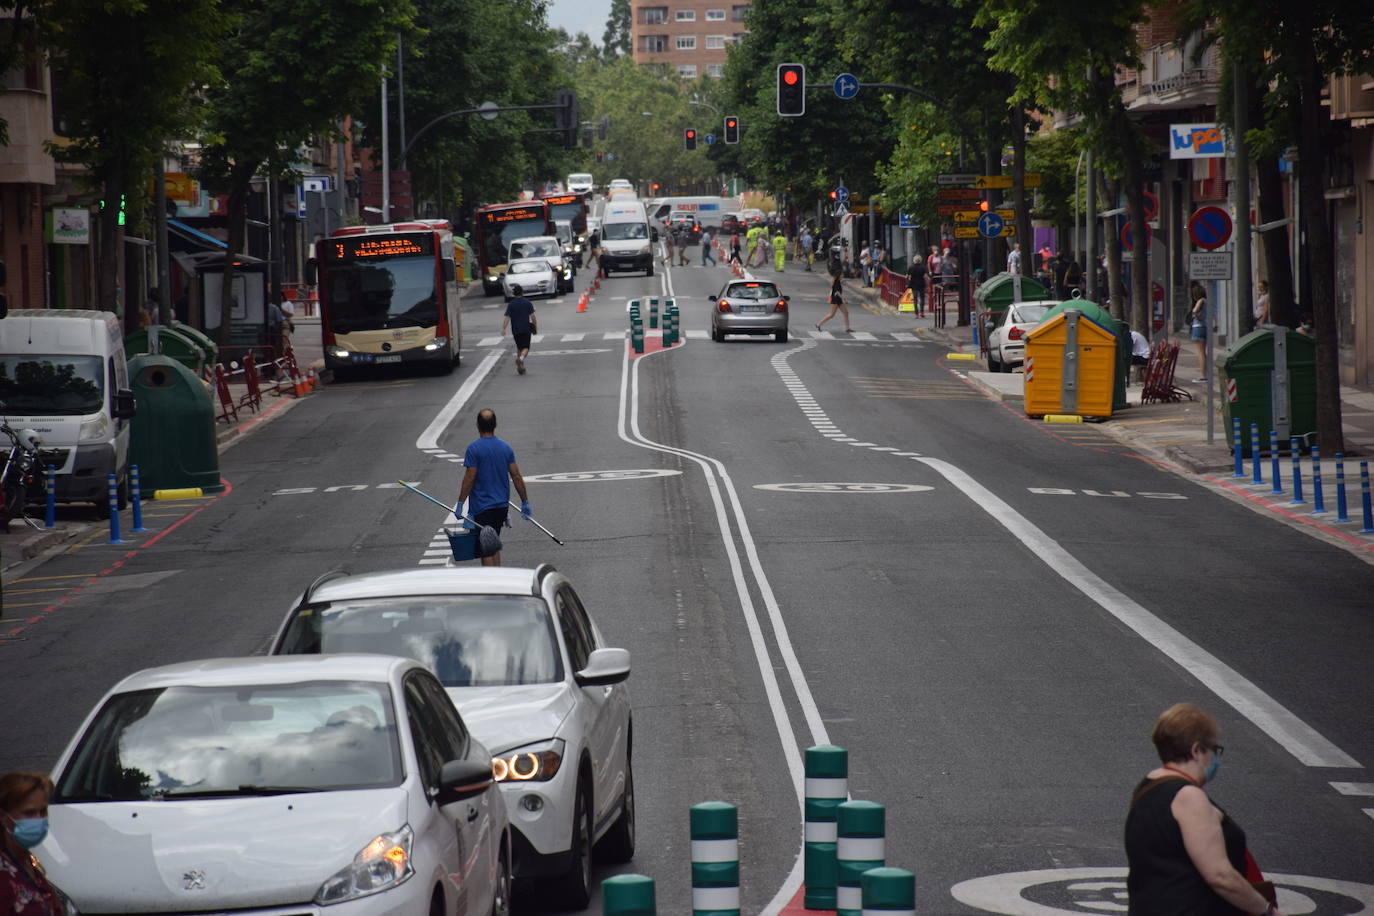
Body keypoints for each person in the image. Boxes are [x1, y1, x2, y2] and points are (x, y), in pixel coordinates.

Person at [1125, 703, 1282, 916]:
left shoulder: (1146, 788)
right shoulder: (1189, 797)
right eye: (1214, 750)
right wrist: (1267, 911)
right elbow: (1220, 876)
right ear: (1196, 750)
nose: (1215, 759)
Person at [456, 409, 531, 568]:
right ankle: (498, 577)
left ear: (477, 425)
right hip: (501, 507)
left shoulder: (474, 449)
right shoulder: (505, 448)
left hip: (483, 507)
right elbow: (516, 476)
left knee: (485, 548)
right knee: (493, 541)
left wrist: (461, 503)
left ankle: (491, 582)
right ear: (495, 424)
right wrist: (525, 502)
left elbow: (470, 478)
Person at [0, 771, 63, 916]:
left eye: (43, 811)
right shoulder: (4, 874)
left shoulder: (27, 862)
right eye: (29, 813)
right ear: (3, 816)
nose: (39, 819)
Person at [502, 284, 536, 376]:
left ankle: (520, 367)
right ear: (522, 292)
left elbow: (507, 317)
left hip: (515, 330)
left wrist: (503, 328)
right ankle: (520, 359)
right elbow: (532, 316)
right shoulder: (527, 302)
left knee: (519, 347)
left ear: (514, 294)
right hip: (525, 328)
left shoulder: (511, 304)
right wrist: (535, 325)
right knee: (526, 348)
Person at [1188, 282, 1208, 383]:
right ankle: (1206, 374)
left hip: (1198, 327)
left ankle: (1204, 376)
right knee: (1203, 352)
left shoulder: (1200, 301)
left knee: (1200, 353)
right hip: (1205, 327)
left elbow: (1194, 311)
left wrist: (1196, 315)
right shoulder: (1206, 301)